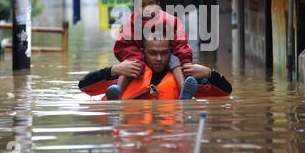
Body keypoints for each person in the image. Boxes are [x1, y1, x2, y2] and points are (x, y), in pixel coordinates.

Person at [79, 37, 232, 100]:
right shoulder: (128, 72)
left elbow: (226, 92)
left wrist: (209, 73)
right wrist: (111, 70)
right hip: (135, 134)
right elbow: (84, 86)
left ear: (171, 53)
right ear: (142, 53)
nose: (158, 59)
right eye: (152, 53)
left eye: (164, 53)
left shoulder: (187, 80)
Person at [110, 0, 193, 100]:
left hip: (166, 54)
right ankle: (118, 90)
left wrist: (186, 61)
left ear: (158, 4)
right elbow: (123, 45)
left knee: (175, 61)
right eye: (141, 5)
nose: (146, 9)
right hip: (138, 54)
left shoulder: (169, 20)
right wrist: (132, 57)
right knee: (129, 64)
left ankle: (184, 90)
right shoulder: (130, 23)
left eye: (150, 4)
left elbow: (181, 43)